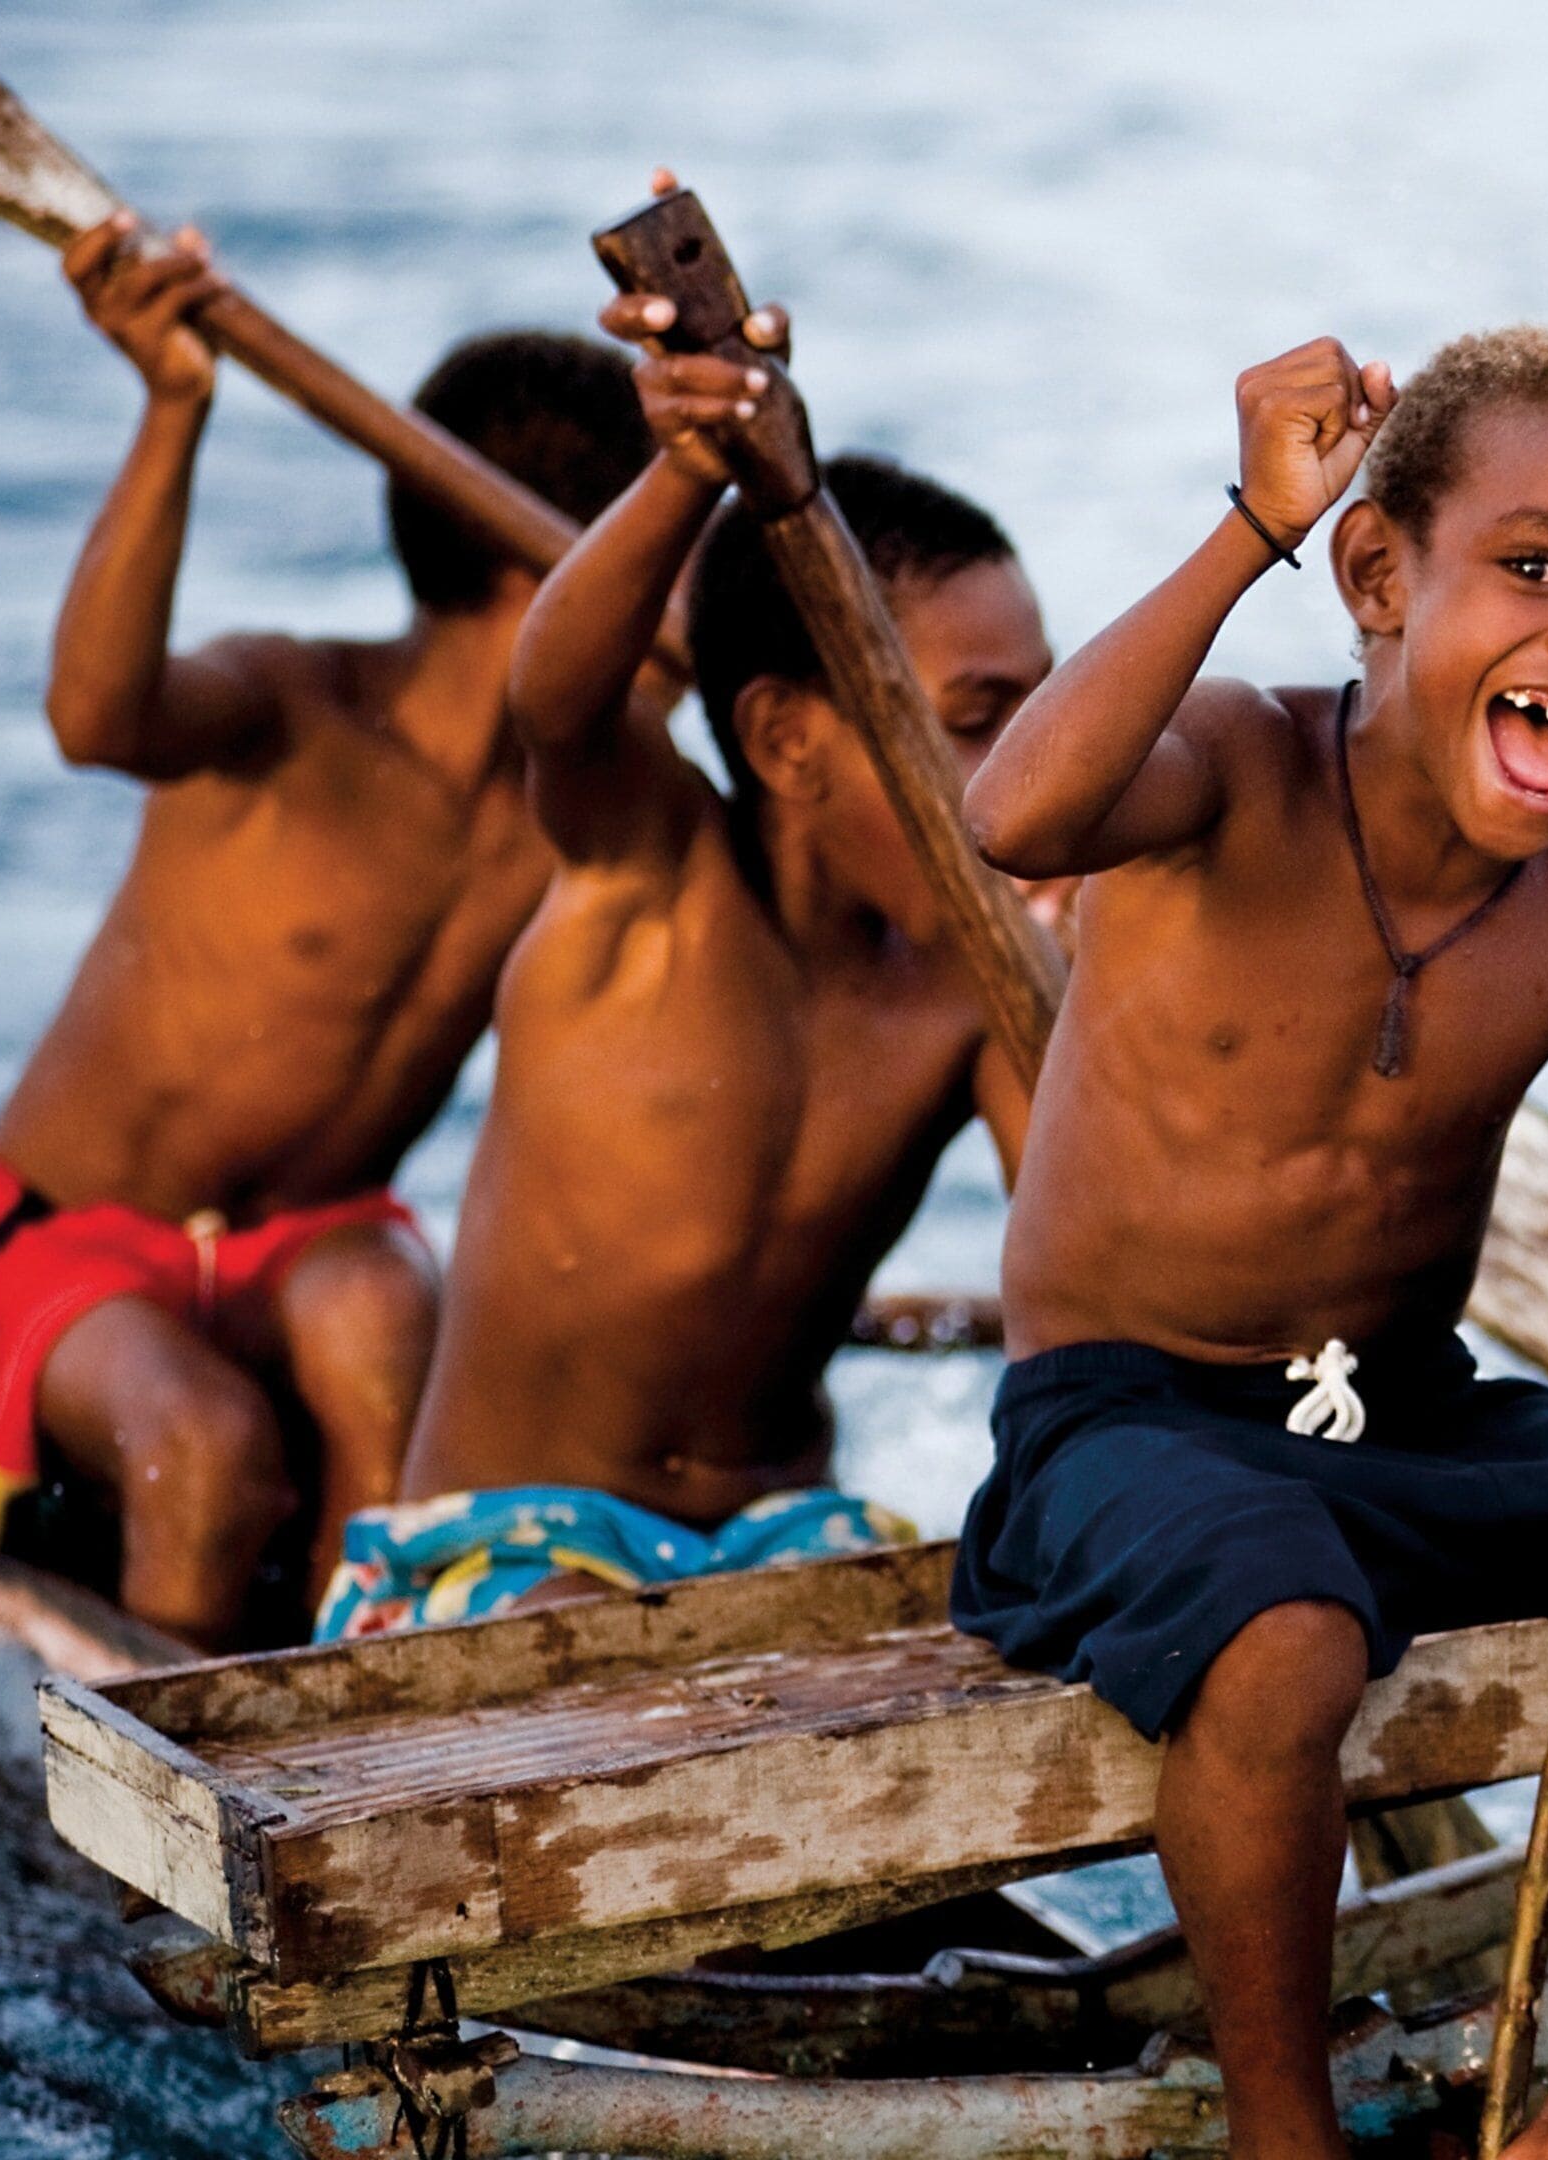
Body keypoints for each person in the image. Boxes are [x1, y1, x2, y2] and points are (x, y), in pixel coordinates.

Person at [952, 326, 1548, 2160]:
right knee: (1280, 1626)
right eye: (1538, 568)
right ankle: (1282, 2131)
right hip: (1126, 1428)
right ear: (1380, 574)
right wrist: (1248, 520)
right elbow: (1013, 810)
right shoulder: (1235, 769)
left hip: (1410, 1424)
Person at [0, 210, 654, 1648]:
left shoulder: (585, 810)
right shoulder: (290, 708)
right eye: (658, 551)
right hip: (72, 1249)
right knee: (207, 1447)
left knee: (385, 1325)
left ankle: (364, 1700)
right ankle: (127, 1851)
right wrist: (175, 406)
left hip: (313, 1244)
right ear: (553, 571)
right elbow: (92, 716)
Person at [315, 283, 1051, 1642]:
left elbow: (1079, 1259)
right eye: (977, 722)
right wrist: (683, 473)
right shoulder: (648, 870)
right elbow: (561, 694)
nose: (1031, 774)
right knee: (555, 1650)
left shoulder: (977, 992)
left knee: (941, 1633)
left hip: (782, 1539)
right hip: (497, 1546)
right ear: (785, 746)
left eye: (1044, 717)